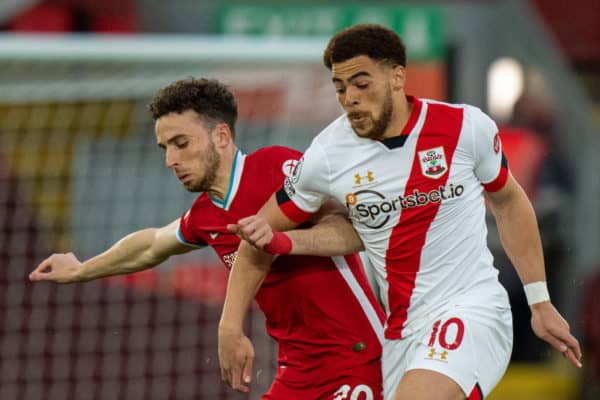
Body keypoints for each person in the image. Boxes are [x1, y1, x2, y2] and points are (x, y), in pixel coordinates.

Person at [218, 24, 582, 400]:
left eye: (361, 83)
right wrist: (229, 326)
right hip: (400, 332)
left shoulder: (464, 127)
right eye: (340, 88)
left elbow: (509, 201)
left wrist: (539, 300)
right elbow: (257, 238)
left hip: (472, 309)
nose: (350, 98)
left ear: (397, 76)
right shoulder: (327, 155)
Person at [29, 78, 386, 399]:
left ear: (221, 136)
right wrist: (82, 269)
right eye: (165, 147)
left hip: (356, 357)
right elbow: (152, 245)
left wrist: (283, 241)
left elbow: (352, 230)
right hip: (298, 372)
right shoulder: (205, 216)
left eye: (181, 143)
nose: (171, 160)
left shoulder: (276, 168)